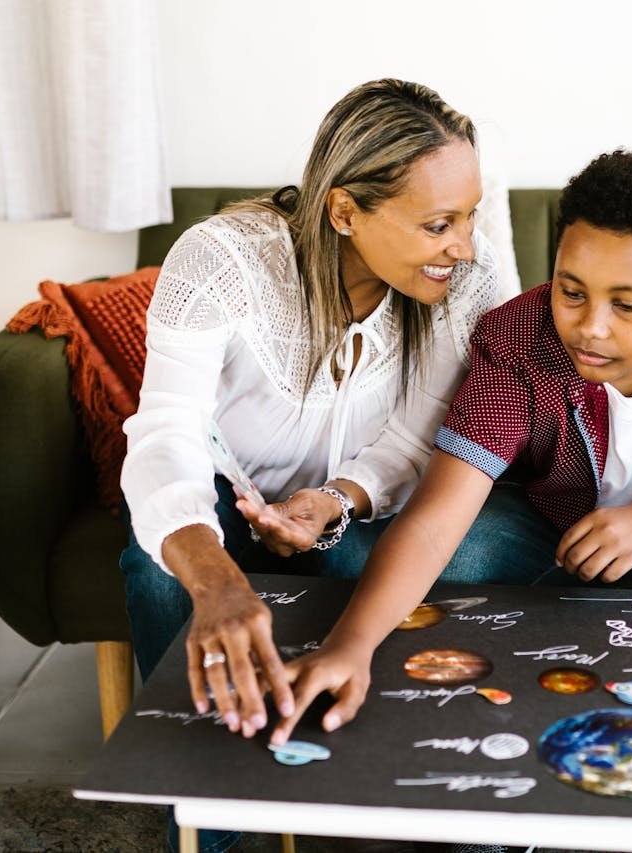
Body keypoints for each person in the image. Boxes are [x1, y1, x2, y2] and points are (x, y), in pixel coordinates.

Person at [267, 149, 632, 746]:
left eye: (627, 305)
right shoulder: (516, 339)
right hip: (555, 531)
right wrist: (349, 646)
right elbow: (434, 520)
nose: (591, 326)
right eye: (571, 292)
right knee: (422, 562)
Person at [118, 78, 509, 852]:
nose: (463, 246)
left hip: (353, 509)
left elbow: (415, 441)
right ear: (343, 211)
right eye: (438, 224)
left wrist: (334, 499)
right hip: (221, 493)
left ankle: (388, 795)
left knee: (431, 553)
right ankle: (208, 823)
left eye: (469, 215)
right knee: (161, 568)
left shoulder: (468, 278)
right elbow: (165, 431)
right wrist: (218, 579)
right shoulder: (222, 258)